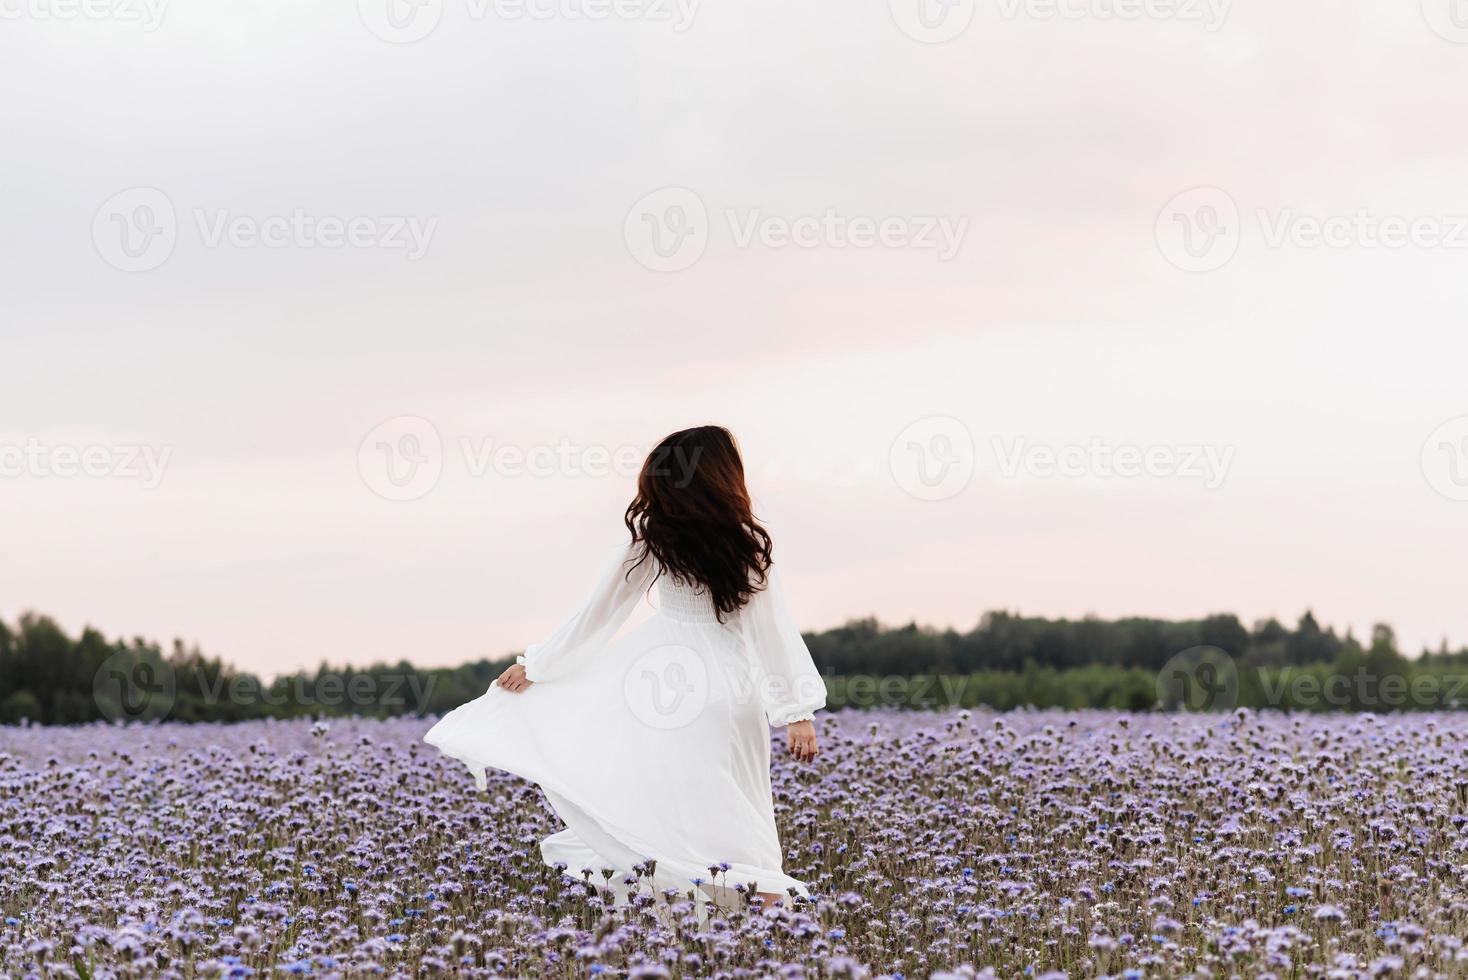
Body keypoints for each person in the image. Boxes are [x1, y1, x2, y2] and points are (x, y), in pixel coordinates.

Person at [424, 425, 826, 911]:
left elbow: (599, 613)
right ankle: (760, 901)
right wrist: (795, 710)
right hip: (729, 686)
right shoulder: (747, 542)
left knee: (667, 792)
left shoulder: (656, 540)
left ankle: (692, 902)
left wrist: (540, 665)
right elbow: (772, 631)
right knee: (738, 791)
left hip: (657, 680)